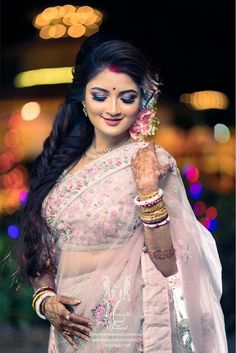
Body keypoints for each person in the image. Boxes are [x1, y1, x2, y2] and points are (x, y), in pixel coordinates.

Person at [18, 32, 228, 353]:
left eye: (127, 98)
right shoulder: (61, 164)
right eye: (100, 96)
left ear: (142, 102)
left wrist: (147, 190)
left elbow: (170, 264)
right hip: (70, 331)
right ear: (83, 99)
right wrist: (45, 300)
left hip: (128, 333)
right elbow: (41, 250)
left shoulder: (151, 162)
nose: (113, 109)